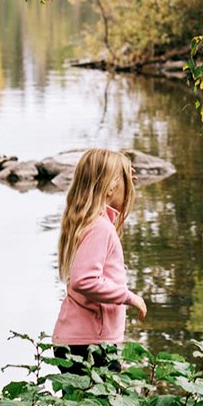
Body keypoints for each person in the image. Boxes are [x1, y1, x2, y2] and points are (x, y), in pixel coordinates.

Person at [51, 149, 149, 375]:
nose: (131, 190)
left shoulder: (90, 222)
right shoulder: (100, 228)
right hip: (91, 346)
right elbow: (84, 280)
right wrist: (128, 296)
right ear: (111, 188)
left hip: (80, 340)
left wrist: (121, 175)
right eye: (125, 183)